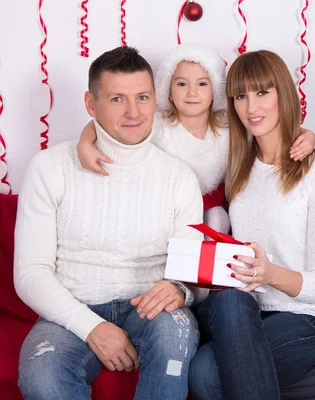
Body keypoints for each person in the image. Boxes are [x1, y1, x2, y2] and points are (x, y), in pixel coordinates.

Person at [14, 46, 204, 400]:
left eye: (143, 97)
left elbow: (190, 272)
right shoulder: (50, 167)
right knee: (42, 376)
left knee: (174, 343)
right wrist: (92, 327)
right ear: (91, 104)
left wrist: (180, 288)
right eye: (117, 99)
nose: (134, 112)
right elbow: (30, 272)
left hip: (149, 309)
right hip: (70, 308)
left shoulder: (178, 177)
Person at [188, 50, 315, 400]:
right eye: (241, 96)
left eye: (262, 92)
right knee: (228, 300)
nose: (251, 107)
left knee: (206, 376)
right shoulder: (239, 168)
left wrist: (268, 273)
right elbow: (166, 131)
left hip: (303, 317)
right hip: (245, 311)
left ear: (283, 95)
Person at [77, 44, 315, 235]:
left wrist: (307, 135)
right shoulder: (160, 125)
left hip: (215, 212)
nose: (192, 93)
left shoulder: (228, 128)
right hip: (169, 211)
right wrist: (85, 143)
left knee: (218, 221)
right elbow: (111, 125)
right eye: (181, 84)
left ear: (215, 91)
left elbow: (270, 130)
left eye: (202, 84)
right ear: (168, 91)